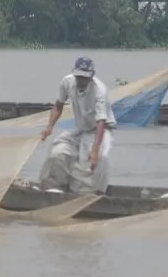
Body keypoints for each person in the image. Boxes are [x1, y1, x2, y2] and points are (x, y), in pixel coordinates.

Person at [39, 57, 116, 194]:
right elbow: (58, 105)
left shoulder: (99, 92)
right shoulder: (67, 82)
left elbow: (101, 123)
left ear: (91, 76)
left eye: (85, 78)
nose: (81, 80)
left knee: (94, 161)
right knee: (58, 153)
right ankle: (57, 186)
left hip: (100, 130)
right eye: (79, 77)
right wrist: (49, 127)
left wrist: (94, 151)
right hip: (81, 129)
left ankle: (89, 192)